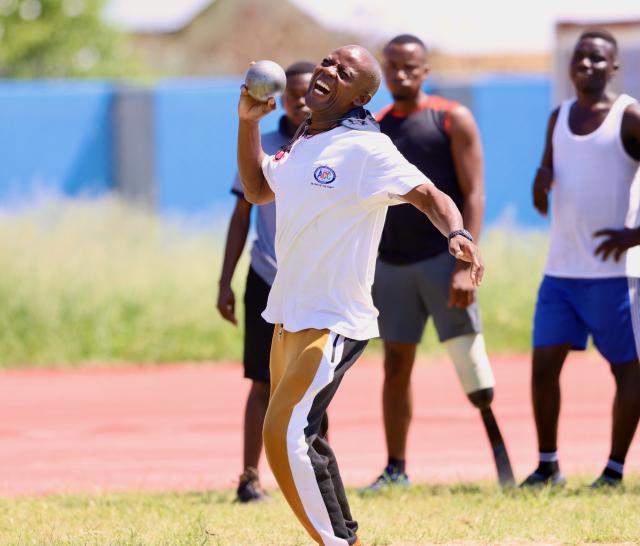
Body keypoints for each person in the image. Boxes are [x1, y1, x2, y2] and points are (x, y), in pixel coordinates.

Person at [237, 44, 484, 546]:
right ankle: (344, 535)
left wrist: (457, 233)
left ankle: (337, 543)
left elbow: (430, 196)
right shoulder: (303, 141)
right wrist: (246, 123)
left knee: (284, 435)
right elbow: (258, 189)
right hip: (288, 317)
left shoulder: (368, 149)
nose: (327, 71)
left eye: (343, 72)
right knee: (308, 438)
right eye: (327, 62)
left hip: (332, 320)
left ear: (360, 96)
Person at [365, 34, 513, 491]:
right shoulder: (376, 126)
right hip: (392, 264)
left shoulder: (451, 118)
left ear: (425, 70)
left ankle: (504, 466)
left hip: (441, 260)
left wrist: (466, 264)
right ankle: (396, 469)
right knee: (394, 366)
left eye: (410, 66)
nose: (401, 74)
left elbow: (474, 193)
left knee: (471, 366)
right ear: (383, 72)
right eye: (392, 67)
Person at [522, 29, 640, 488]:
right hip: (560, 273)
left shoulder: (627, 117)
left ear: (613, 67)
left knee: (628, 370)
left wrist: (635, 234)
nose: (586, 64)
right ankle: (548, 465)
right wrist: (542, 177)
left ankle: (612, 470)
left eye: (597, 59)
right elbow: (551, 164)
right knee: (543, 366)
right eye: (580, 57)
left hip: (616, 277)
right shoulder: (559, 116)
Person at [217, 61, 315, 503]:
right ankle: (249, 477)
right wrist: (225, 282)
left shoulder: (331, 147)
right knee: (262, 382)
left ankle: (310, 474)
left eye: (306, 91)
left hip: (314, 283)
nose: (298, 99)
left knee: (313, 384)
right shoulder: (262, 144)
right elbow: (241, 218)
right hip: (265, 277)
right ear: (279, 96)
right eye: (290, 92)